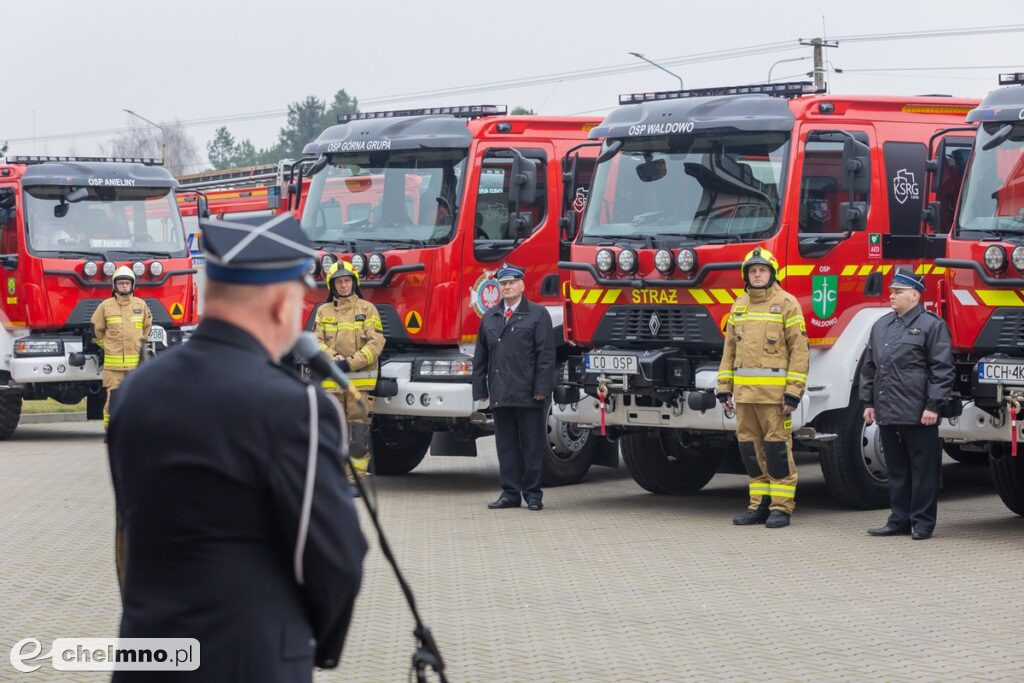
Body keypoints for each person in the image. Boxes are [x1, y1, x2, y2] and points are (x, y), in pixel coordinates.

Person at [107, 214, 367, 681]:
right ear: (278, 304)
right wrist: (307, 644)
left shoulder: (135, 393)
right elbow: (335, 558)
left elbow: (128, 539)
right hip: (253, 661)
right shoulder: (296, 407)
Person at [717, 247, 809, 529]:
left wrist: (793, 392)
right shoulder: (739, 305)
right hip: (744, 397)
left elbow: (800, 351)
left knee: (777, 450)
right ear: (747, 275)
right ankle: (759, 505)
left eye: (762, 271)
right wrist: (724, 388)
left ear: (772, 274)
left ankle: (782, 507)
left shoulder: (787, 304)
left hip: (775, 399)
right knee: (750, 451)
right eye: (753, 271)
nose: (758, 275)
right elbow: (729, 350)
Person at [861, 268, 954, 540]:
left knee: (923, 470)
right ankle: (898, 519)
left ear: (915, 295)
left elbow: (942, 369)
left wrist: (933, 406)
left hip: (918, 412)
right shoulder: (881, 326)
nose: (892, 296)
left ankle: (922, 522)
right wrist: (868, 402)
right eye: (891, 291)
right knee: (897, 469)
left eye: (898, 292)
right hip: (888, 410)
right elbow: (870, 368)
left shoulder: (931, 325)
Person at [472, 263, 555, 511]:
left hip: (529, 393)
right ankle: (509, 493)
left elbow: (546, 356)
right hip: (500, 392)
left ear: (522, 285)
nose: (507, 287)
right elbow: (480, 358)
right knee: (505, 445)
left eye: (511, 283)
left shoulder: (538, 315)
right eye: (503, 284)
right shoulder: (490, 317)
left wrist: (542, 389)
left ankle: (532, 494)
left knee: (531, 445)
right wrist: (481, 390)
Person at [313, 260, 385, 489]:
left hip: (359, 385)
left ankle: (355, 479)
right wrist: (334, 360)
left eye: (347, 281)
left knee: (358, 430)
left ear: (353, 283)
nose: (344, 285)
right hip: (332, 384)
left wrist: (349, 365)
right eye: (339, 282)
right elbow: (316, 341)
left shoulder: (367, 309)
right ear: (331, 285)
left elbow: (376, 344)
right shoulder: (323, 311)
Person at [91, 266, 152, 432]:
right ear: (114, 286)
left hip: (136, 367)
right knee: (113, 400)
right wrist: (107, 346)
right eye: (121, 283)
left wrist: (139, 343)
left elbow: (147, 328)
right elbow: (96, 330)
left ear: (132, 285)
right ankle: (111, 431)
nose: (124, 286)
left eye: (127, 283)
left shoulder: (141, 305)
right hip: (114, 368)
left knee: (137, 399)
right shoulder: (105, 306)